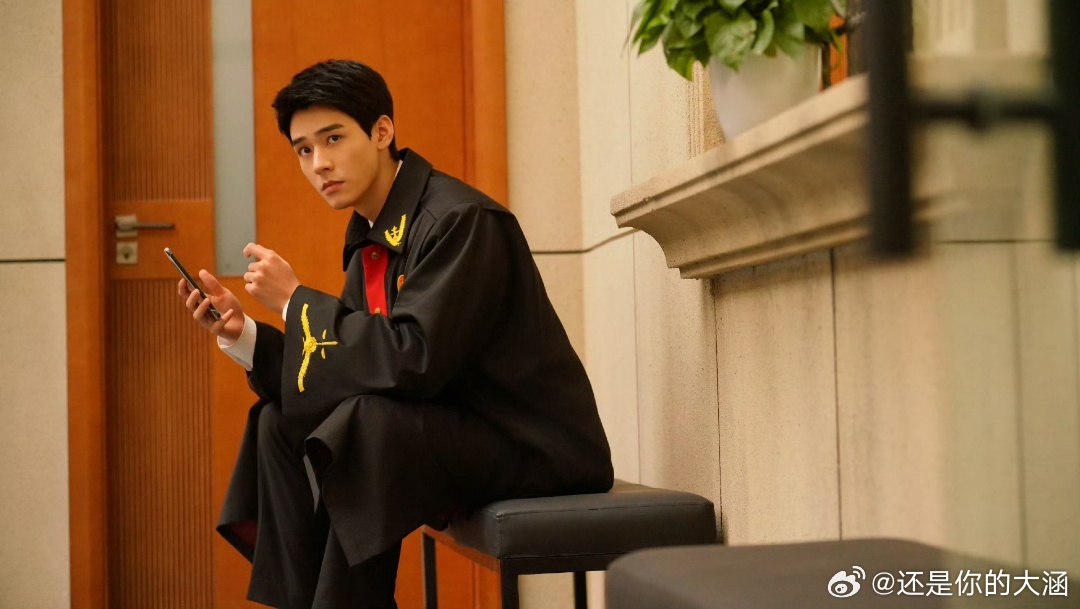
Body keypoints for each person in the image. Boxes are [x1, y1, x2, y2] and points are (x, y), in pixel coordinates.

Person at [177, 59, 613, 609]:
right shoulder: (372, 231)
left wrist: (293, 301)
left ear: (382, 131)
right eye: (304, 150)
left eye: (333, 138)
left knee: (365, 425)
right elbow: (355, 363)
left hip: (532, 444)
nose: (319, 163)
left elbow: (414, 359)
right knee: (278, 421)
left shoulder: (460, 220)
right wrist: (245, 336)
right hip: (448, 430)